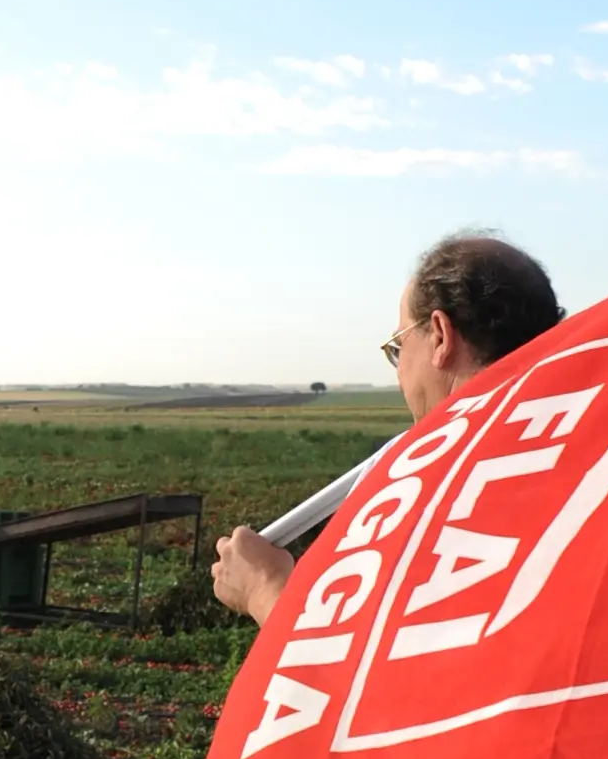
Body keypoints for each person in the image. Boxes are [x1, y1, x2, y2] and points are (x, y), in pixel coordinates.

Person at [211, 231, 567, 625]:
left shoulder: (437, 485)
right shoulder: (579, 454)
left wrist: (265, 589)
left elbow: (391, 665)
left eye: (398, 346)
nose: (399, 370)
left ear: (440, 336)